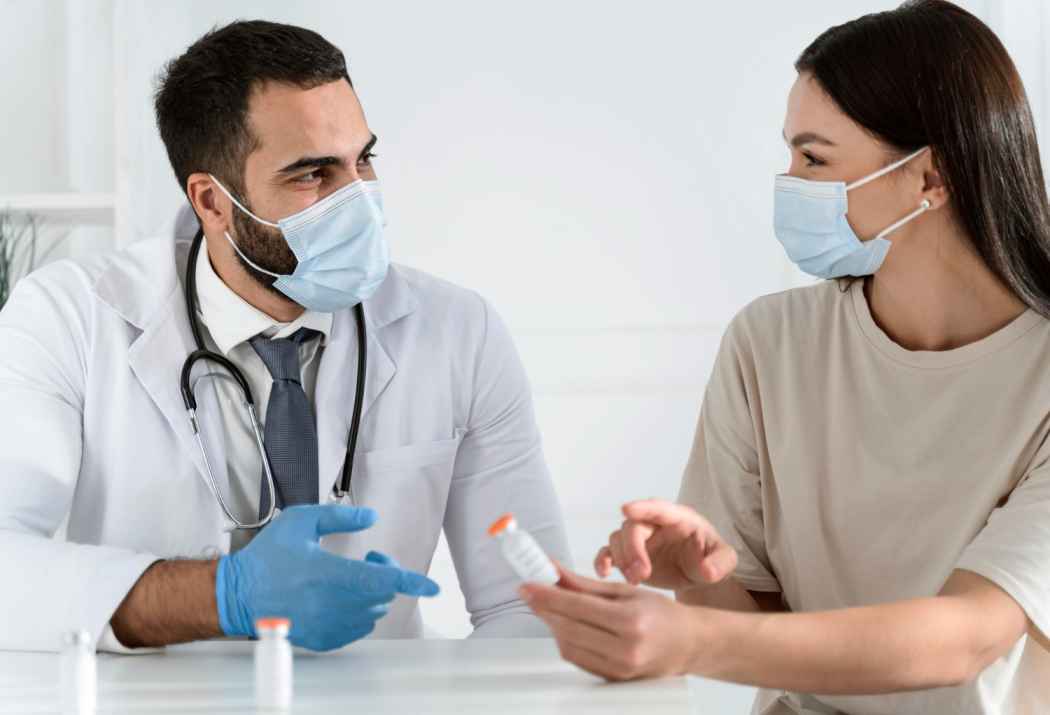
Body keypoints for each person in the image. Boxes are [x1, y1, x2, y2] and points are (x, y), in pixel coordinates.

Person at [519, 2, 1050, 713]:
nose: (790, 182)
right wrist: (697, 577)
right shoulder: (767, 343)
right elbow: (767, 642)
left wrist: (689, 636)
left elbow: (961, 639)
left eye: (814, 157)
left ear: (930, 177)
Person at [0, 20, 570, 653]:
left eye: (363, 159)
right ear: (211, 203)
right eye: (312, 175)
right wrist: (226, 596)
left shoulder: (458, 332)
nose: (360, 201)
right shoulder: (68, 319)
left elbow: (530, 609)